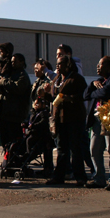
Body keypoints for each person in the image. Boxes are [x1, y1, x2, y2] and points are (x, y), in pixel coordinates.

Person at [45, 55, 88, 186]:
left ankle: (80, 177)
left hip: (74, 118)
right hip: (60, 119)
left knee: (75, 148)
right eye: (56, 64)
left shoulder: (76, 78)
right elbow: (55, 99)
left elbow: (84, 96)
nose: (57, 66)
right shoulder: (57, 80)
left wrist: (69, 98)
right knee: (61, 149)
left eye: (60, 64)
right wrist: (46, 96)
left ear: (68, 65)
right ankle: (59, 176)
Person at [84, 56, 110, 190]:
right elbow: (86, 95)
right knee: (94, 149)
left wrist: (96, 92)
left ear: (109, 66)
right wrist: (92, 85)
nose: (97, 67)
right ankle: (99, 178)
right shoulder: (101, 81)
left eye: (100, 64)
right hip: (97, 119)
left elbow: (106, 92)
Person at [0, 52, 31, 149]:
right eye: (12, 62)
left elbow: (18, 88)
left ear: (21, 62)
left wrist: (4, 82)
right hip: (4, 113)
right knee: (5, 139)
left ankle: (16, 158)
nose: (12, 64)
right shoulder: (9, 73)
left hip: (15, 114)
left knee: (15, 140)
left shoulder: (22, 75)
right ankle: (8, 157)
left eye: (15, 62)